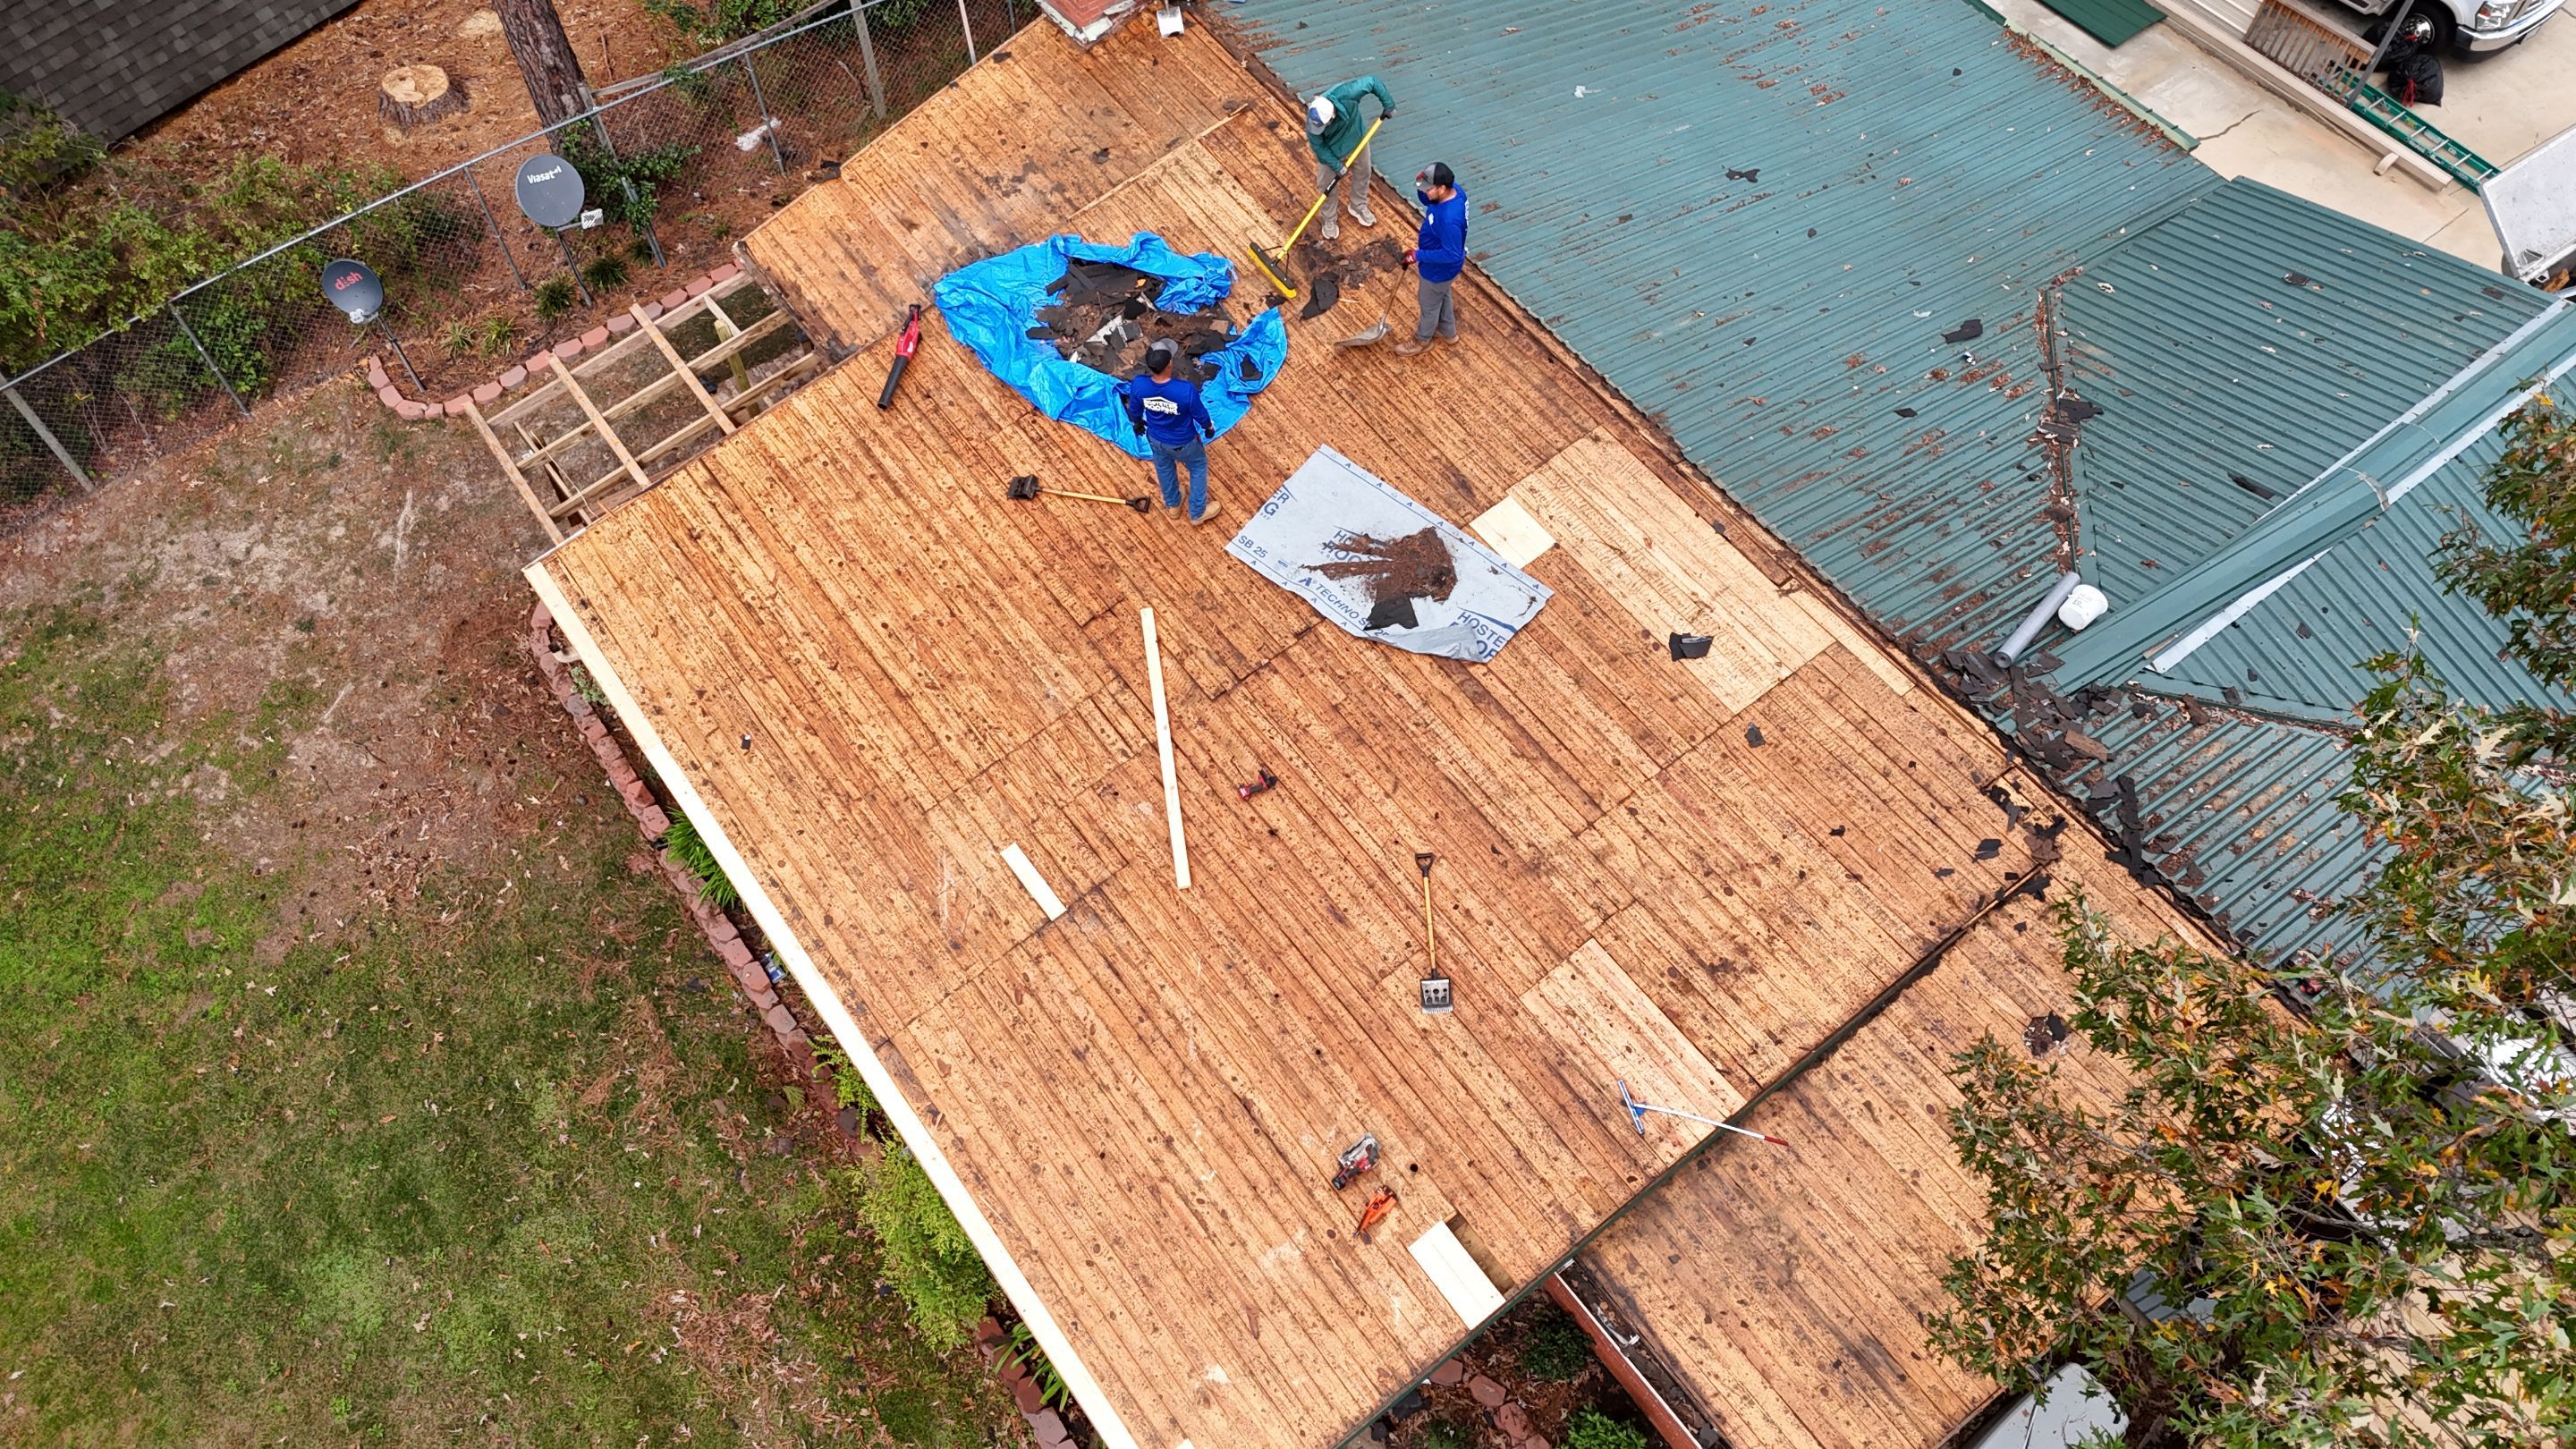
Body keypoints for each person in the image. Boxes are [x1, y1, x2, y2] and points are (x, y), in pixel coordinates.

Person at [1123, 342, 1221, 526]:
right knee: (1198, 467)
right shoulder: (1184, 390)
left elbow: (1134, 410)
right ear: (1169, 364)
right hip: (1184, 442)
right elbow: (1200, 414)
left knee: (1164, 468)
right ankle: (1198, 513)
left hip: (1156, 439)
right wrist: (1208, 427)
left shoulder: (1139, 385)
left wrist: (1136, 423)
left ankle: (1173, 506)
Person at [1303, 76, 1394, 242]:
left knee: (1364, 172)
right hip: (1331, 150)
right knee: (1326, 186)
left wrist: (1388, 104)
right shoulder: (1313, 123)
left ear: (1331, 117)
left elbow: (1372, 81)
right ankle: (1329, 219)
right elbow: (1319, 147)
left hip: (1356, 138)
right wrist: (1336, 165)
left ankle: (1358, 206)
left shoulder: (1347, 93)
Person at [1396, 161, 1467, 357]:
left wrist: (1418, 255)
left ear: (1442, 188)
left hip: (1438, 269)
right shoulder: (1454, 192)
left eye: (1429, 189)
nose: (1425, 193)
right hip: (1441, 268)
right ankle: (1448, 332)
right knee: (1440, 295)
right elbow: (1428, 200)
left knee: (1428, 304)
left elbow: (1451, 254)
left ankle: (1422, 340)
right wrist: (1423, 185)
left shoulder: (1450, 219)